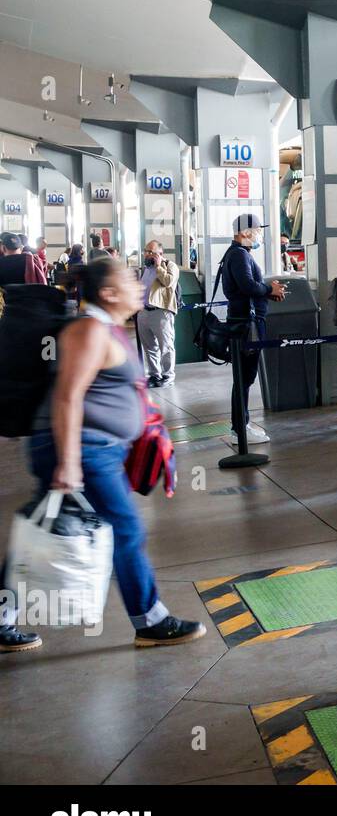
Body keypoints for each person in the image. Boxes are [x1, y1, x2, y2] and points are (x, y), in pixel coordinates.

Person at [0, 257, 206, 651]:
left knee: (40, 528)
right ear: (108, 293)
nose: (138, 285)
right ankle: (151, 620)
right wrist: (70, 461)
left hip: (92, 448)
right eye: (129, 280)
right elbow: (67, 397)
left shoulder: (107, 328)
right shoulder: (89, 330)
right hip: (84, 448)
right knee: (126, 528)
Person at [220, 214, 285, 445]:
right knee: (244, 377)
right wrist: (269, 288)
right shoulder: (238, 255)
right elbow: (247, 285)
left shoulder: (239, 254)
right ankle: (240, 429)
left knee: (245, 378)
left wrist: (268, 291)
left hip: (246, 323)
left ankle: (242, 424)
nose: (259, 235)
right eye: (256, 230)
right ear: (244, 232)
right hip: (246, 326)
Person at [137, 240, 179, 388]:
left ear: (160, 254)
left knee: (166, 346)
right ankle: (155, 375)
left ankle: (168, 376)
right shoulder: (146, 269)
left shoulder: (170, 266)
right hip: (144, 311)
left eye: (151, 252)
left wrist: (159, 266)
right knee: (149, 346)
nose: (147, 254)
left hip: (161, 312)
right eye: (146, 251)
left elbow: (168, 282)